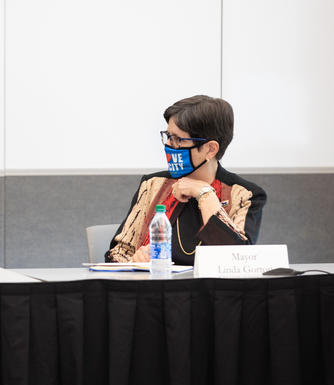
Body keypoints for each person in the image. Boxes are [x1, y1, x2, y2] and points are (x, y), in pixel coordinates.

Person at [106, 95, 266, 265]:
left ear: (210, 149)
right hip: (156, 288)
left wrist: (204, 194)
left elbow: (237, 260)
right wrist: (134, 260)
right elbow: (118, 253)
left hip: (212, 291)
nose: (169, 145)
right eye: (168, 136)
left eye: (178, 140)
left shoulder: (244, 194)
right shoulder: (153, 184)